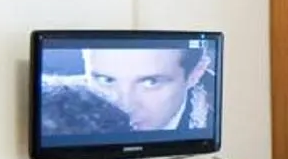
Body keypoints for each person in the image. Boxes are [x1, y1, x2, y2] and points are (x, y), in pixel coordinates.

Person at [82, 41, 214, 133]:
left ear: (195, 74)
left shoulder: (220, 123)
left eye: (151, 82)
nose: (125, 107)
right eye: (107, 80)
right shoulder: (64, 113)